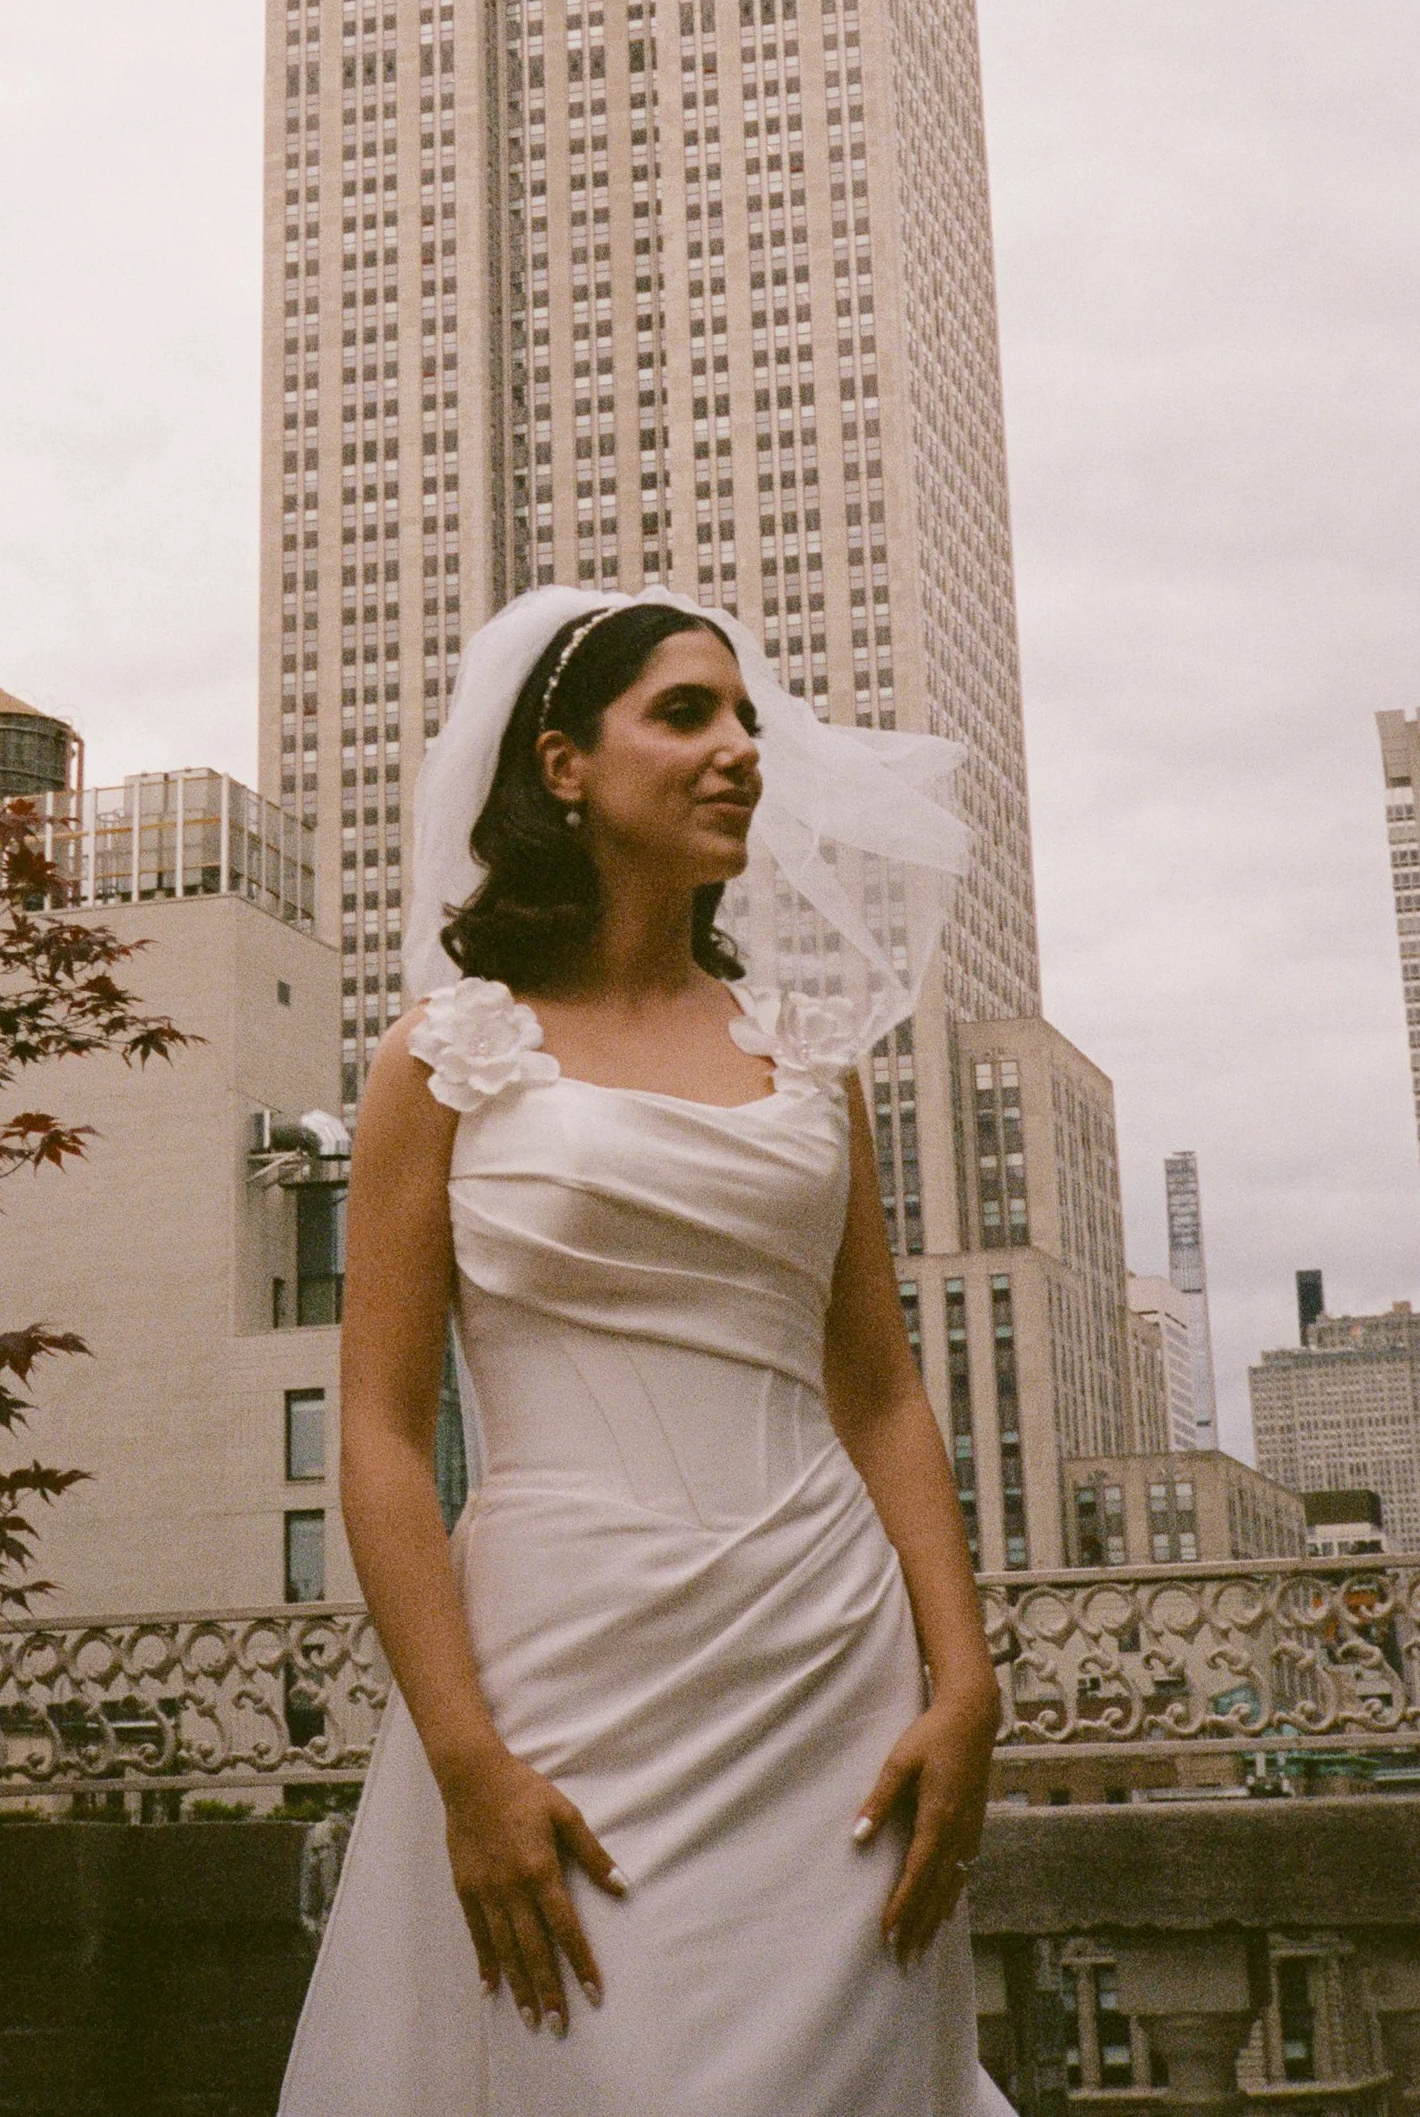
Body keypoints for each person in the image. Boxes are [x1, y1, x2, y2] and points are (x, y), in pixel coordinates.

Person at [277, 586, 1015, 2116]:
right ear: (562, 764)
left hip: (831, 1679)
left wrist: (964, 1682)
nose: (740, 747)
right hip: (565, 1678)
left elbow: (879, 1394)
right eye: (687, 713)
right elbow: (383, 1438)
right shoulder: (444, 1057)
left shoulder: (811, 1064)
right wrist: (468, 1761)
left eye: (745, 715)